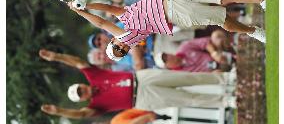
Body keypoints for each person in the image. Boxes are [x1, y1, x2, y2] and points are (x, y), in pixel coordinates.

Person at [68, 0, 266, 61]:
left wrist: (85, 7)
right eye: (122, 52)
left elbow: (108, 13)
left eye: (117, 48)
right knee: (222, 20)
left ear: (112, 41)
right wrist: (83, 12)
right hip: (176, 14)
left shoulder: (124, 20)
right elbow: (102, 24)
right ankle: (252, 31)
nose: (122, 48)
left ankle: (262, 1)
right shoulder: (130, 39)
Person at [39, 49, 237, 119]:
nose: (83, 91)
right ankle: (227, 101)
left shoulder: (93, 76)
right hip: (141, 99)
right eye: (80, 94)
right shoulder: (95, 106)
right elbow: (81, 115)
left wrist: (56, 57)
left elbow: (78, 62)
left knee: (188, 78)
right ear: (83, 98)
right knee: (187, 99)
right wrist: (59, 112)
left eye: (79, 88)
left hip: (141, 78)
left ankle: (227, 79)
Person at [155, 30, 235, 72]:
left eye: (166, 55)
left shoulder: (184, 48)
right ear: (167, 66)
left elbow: (205, 42)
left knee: (216, 36)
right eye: (165, 60)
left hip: (218, 57)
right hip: (214, 74)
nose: (168, 57)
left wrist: (214, 53)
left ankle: (235, 45)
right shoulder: (179, 75)